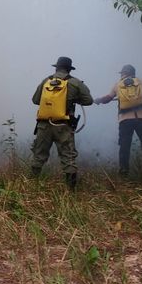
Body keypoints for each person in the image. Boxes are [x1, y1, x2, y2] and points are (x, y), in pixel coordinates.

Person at [31, 56, 93, 189]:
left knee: (39, 156)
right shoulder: (75, 83)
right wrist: (73, 98)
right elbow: (89, 100)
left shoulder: (46, 81)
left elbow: (35, 100)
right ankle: (71, 192)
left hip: (43, 125)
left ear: (57, 67)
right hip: (63, 125)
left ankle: (30, 186)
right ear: (69, 69)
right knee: (68, 157)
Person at [94, 64, 142, 176]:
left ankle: (124, 173)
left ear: (123, 74)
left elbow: (108, 98)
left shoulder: (118, 85)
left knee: (125, 147)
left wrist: (98, 100)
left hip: (125, 121)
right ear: (134, 73)